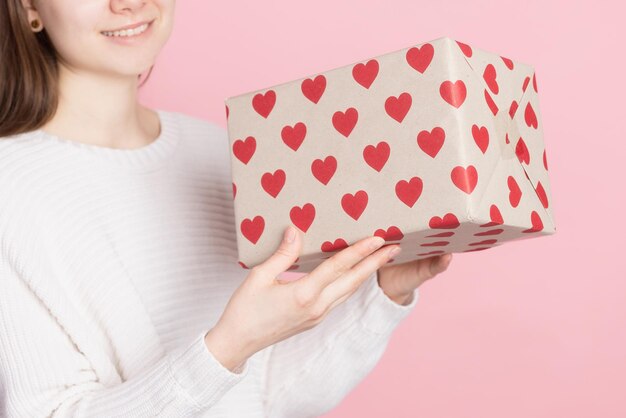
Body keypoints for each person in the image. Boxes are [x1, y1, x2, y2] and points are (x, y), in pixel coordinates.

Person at [0, 1, 453, 417]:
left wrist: (382, 293)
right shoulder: (11, 188)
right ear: (29, 9)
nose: (128, 2)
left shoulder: (222, 152)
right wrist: (228, 347)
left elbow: (266, 397)